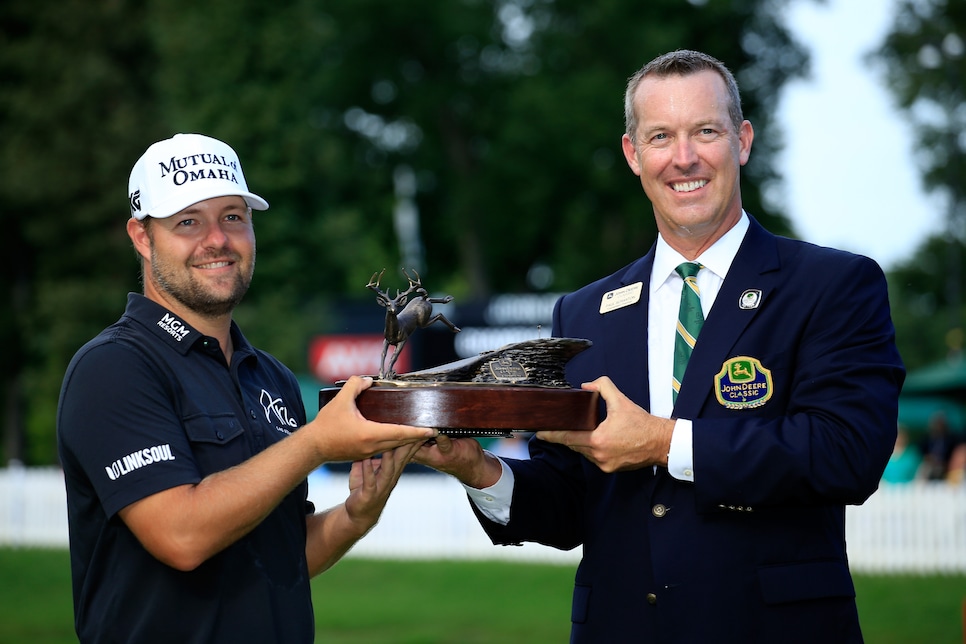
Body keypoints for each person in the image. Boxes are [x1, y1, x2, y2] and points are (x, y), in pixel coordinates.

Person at [415, 50, 905, 642]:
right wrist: (478, 469)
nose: (684, 158)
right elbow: (572, 502)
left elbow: (845, 454)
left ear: (742, 140)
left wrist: (662, 442)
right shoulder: (583, 311)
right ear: (633, 155)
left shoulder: (831, 285)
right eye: (661, 136)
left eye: (706, 131)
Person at [56, 133, 436, 643]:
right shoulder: (113, 368)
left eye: (233, 216)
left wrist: (354, 515)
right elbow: (182, 535)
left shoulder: (271, 376)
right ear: (142, 238)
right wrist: (318, 442)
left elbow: (284, 554)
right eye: (188, 221)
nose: (217, 240)